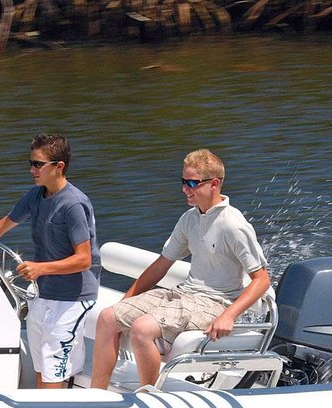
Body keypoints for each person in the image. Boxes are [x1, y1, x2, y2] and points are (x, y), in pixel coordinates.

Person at [90, 148, 271, 390]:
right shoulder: (190, 218)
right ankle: (96, 393)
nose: (185, 188)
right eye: (183, 181)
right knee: (108, 317)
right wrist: (127, 300)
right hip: (185, 294)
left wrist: (228, 316)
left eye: (192, 183)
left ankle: (150, 398)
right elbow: (161, 266)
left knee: (143, 329)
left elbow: (261, 280)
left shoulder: (233, 225)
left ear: (214, 184)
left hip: (215, 303)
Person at [0, 133, 100, 389]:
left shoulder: (74, 205)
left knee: (54, 372)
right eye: (30, 163)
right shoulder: (35, 196)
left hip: (72, 299)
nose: (32, 170)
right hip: (44, 294)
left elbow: (84, 259)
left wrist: (40, 268)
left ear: (59, 166)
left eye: (38, 164)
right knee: (42, 370)